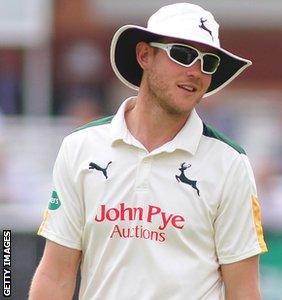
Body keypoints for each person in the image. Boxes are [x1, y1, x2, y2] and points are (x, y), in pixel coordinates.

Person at [30, 3, 267, 299]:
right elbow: (56, 275)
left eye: (209, 63)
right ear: (145, 55)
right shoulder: (80, 147)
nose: (196, 71)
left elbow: (243, 290)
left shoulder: (230, 163)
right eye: (183, 55)